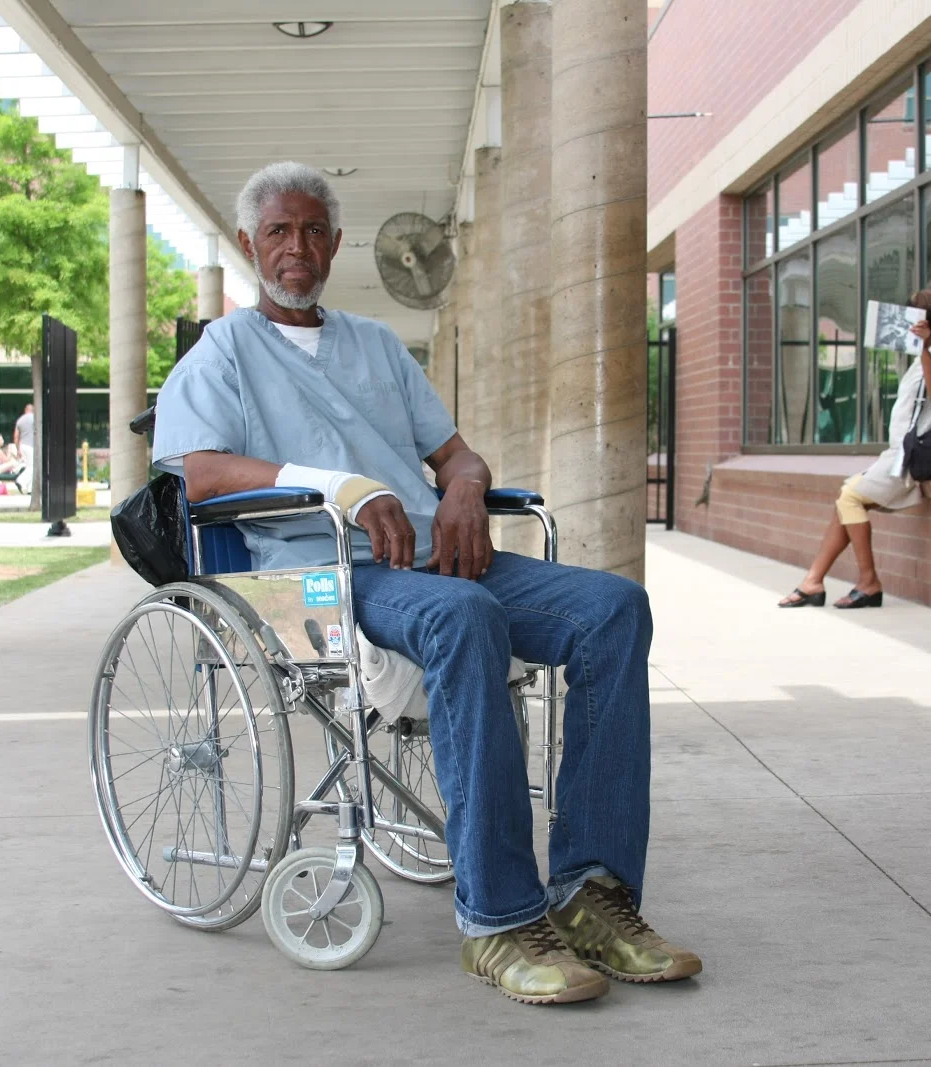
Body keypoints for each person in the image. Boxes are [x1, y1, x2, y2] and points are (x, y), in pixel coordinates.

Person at [151, 161, 699, 1005]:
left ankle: (594, 891)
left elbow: (455, 454)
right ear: (248, 245)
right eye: (278, 231)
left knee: (613, 608)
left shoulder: (376, 344)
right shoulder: (223, 351)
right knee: (465, 614)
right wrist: (342, 486)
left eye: (312, 231)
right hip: (320, 570)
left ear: (336, 243)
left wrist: (466, 491)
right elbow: (202, 473)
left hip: (427, 555)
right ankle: (501, 918)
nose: (296, 248)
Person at [779, 291, 931, 609]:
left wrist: (923, 349)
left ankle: (868, 582)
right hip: (899, 454)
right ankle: (813, 581)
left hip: (914, 455)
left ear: (922, 321)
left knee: (849, 497)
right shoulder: (926, 354)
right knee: (846, 502)